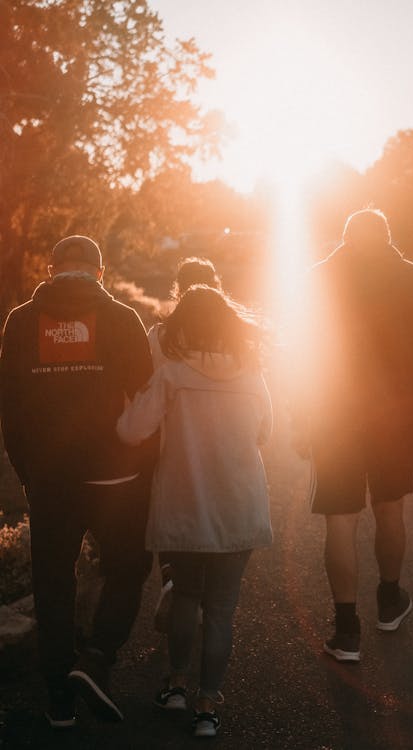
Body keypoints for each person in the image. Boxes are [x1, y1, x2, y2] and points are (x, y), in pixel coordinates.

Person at [0, 235, 155, 727]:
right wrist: (145, 466)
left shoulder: (21, 321)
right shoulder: (123, 319)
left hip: (50, 478)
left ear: (51, 269)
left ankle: (58, 700)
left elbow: (11, 411)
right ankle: (97, 659)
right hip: (117, 475)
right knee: (128, 568)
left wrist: (29, 474)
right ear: (99, 272)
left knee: (52, 583)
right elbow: (147, 400)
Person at [292, 208, 413, 662]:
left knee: (340, 520)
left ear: (345, 238)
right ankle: (389, 599)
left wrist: (300, 413)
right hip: (393, 414)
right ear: (387, 237)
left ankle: (346, 630)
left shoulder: (318, 277)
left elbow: (298, 349)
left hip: (333, 413)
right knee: (389, 509)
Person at [117, 285, 272, 738]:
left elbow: (130, 431)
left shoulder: (172, 375)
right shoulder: (253, 376)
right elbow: (266, 432)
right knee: (222, 610)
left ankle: (177, 685)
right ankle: (208, 707)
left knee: (186, 596)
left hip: (186, 505)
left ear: (181, 326)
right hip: (239, 505)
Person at [147, 256, 222, 631]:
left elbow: (144, 387)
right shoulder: (233, 338)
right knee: (212, 515)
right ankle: (206, 592)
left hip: (172, 445)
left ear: (178, 289)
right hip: (221, 448)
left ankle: (175, 579)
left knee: (173, 518)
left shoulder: (159, 336)